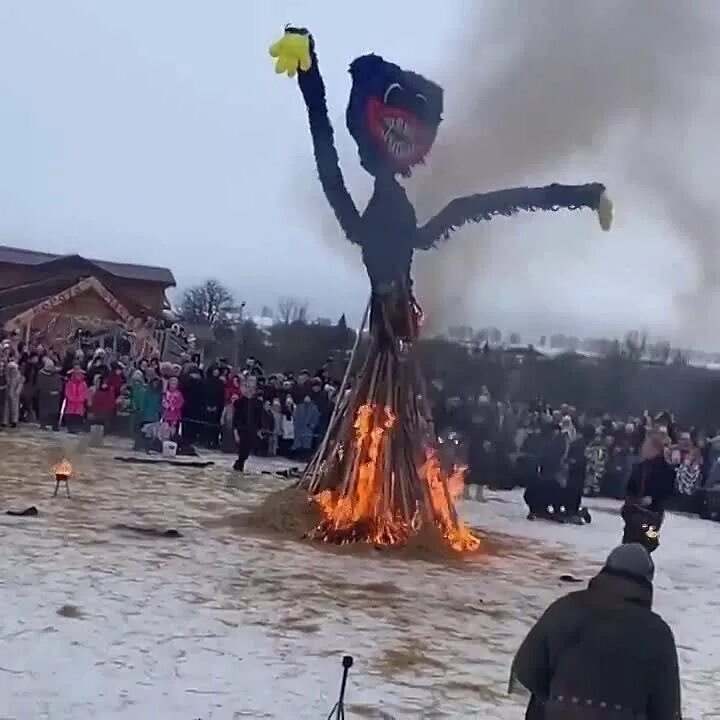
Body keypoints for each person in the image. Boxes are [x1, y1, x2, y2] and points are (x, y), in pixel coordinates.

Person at [510, 544, 681, 720]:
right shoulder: (657, 632)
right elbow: (666, 703)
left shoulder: (565, 608)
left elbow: (528, 668)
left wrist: (552, 700)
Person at [622, 433, 675, 552]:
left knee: (647, 542)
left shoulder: (666, 470)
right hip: (634, 512)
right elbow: (630, 487)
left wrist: (654, 498)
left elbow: (668, 490)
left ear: (655, 449)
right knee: (630, 542)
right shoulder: (640, 467)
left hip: (652, 514)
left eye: (646, 446)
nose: (643, 449)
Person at [232, 383, 262, 472]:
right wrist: (235, 431)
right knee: (242, 449)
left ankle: (239, 463)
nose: (250, 390)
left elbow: (259, 418)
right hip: (242, 429)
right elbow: (236, 418)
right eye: (248, 388)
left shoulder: (258, 403)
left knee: (247, 451)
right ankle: (239, 465)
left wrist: (259, 430)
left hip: (252, 429)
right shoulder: (239, 402)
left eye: (252, 388)